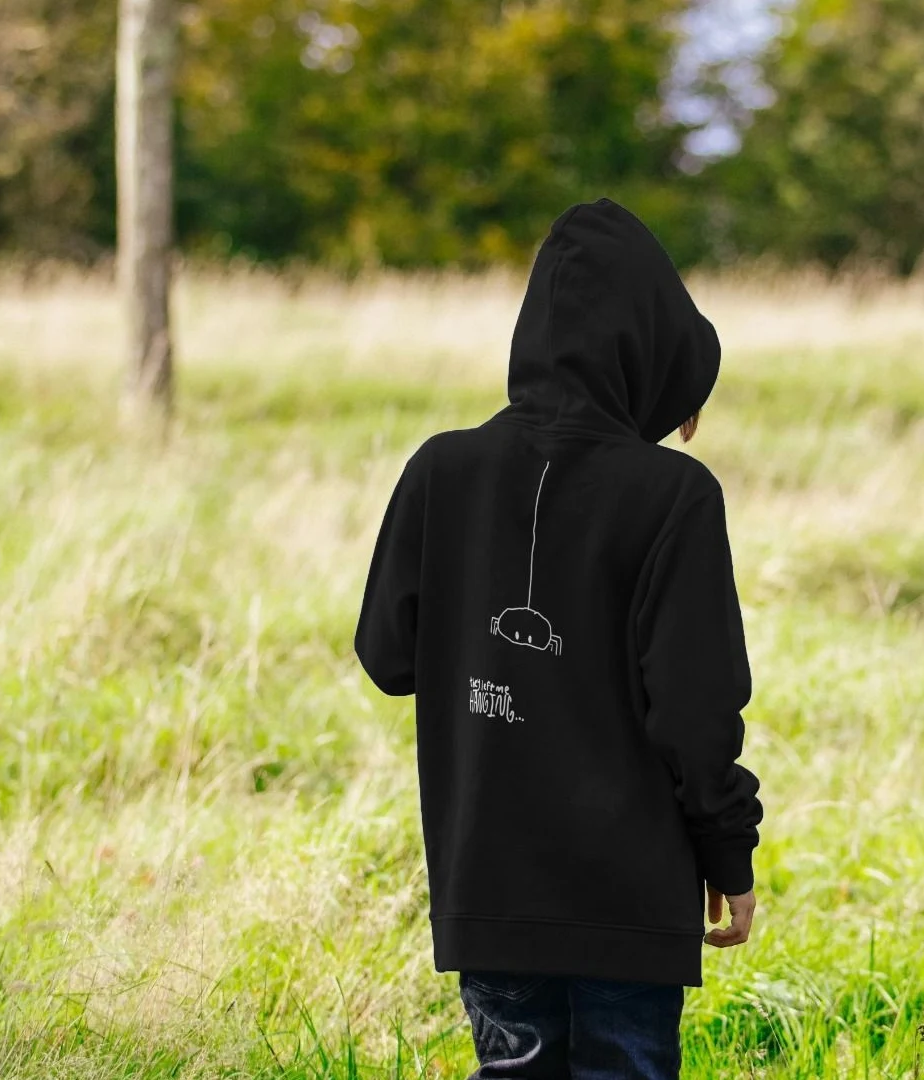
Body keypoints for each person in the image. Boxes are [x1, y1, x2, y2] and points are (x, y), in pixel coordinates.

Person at [354, 197, 763, 1080]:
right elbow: (694, 711)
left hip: (489, 884)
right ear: (653, 352)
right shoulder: (676, 496)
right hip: (633, 900)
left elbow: (388, 658)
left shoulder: (440, 470)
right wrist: (729, 853)